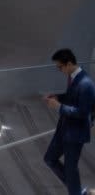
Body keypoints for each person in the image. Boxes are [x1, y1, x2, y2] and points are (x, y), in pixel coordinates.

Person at [43, 48, 95, 195]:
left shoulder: (86, 84)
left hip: (75, 134)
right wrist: (58, 97)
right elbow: (72, 98)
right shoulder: (72, 77)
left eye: (60, 67)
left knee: (71, 169)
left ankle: (76, 192)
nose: (59, 70)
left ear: (69, 63)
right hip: (64, 129)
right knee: (49, 159)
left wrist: (59, 107)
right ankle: (77, 191)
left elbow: (82, 113)